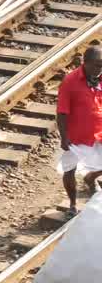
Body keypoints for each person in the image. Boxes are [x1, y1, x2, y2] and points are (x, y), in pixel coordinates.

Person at [56, 46, 102, 215]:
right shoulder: (70, 81)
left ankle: (91, 177)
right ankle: (73, 205)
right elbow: (62, 112)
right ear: (86, 63)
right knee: (70, 169)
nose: (100, 69)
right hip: (77, 135)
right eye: (97, 65)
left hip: (99, 131)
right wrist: (64, 136)